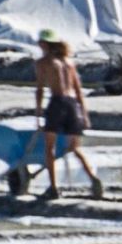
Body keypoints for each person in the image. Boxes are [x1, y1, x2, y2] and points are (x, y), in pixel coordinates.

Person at [32, 34, 104, 200]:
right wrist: (84, 115)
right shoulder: (69, 62)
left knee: (49, 148)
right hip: (72, 105)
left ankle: (53, 188)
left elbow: (40, 89)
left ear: (45, 44)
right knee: (74, 148)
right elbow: (78, 91)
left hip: (57, 103)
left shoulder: (43, 63)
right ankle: (93, 180)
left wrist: (38, 112)